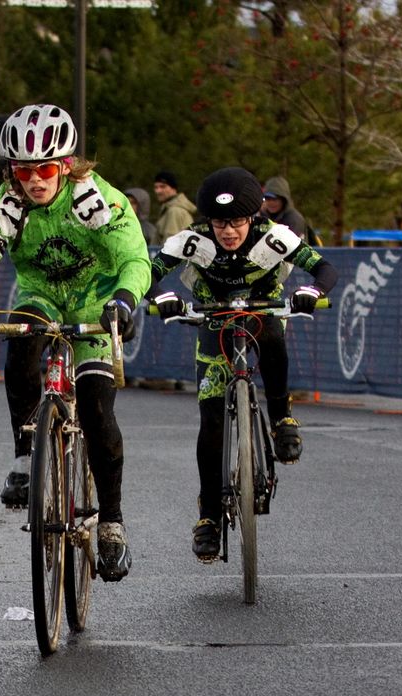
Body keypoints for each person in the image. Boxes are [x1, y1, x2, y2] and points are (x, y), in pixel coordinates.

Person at [0, 104, 151, 582]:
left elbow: (135, 257)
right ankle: (25, 453)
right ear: (11, 171)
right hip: (41, 297)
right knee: (17, 334)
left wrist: (125, 300)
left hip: (96, 304)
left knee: (99, 410)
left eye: (44, 169)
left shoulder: (96, 200)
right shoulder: (6, 204)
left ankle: (112, 524)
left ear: (65, 165)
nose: (34, 181)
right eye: (23, 170)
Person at [146, 167, 339, 561]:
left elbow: (324, 268)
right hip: (213, 319)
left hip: (260, 310)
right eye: (220, 223)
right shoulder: (193, 241)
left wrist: (310, 290)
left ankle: (284, 418)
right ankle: (209, 518)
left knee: (271, 331)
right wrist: (160, 296)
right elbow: (146, 272)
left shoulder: (274, 237)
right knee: (212, 420)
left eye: (236, 222)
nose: (228, 231)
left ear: (252, 217)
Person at [152, 170, 196, 239]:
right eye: (156, 187)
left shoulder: (175, 211)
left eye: (163, 187)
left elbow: (171, 244)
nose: (158, 191)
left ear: (173, 188)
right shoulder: (169, 208)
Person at [260, 175, 307, 240]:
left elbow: (293, 246)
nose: (271, 203)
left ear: (284, 200)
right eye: (267, 199)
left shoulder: (294, 220)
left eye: (274, 199)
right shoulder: (262, 216)